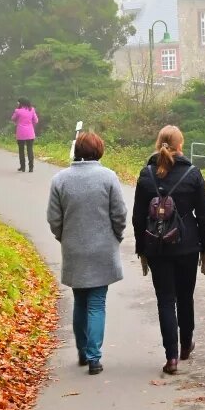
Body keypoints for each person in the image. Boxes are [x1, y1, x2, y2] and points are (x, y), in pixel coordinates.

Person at [132, 125, 205, 375]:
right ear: (181, 145)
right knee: (185, 296)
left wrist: (141, 249)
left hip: (156, 246)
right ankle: (186, 344)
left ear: (158, 145)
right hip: (187, 245)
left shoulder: (147, 174)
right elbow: (204, 216)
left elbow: (137, 217)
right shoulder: (192, 173)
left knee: (165, 300)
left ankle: (172, 357)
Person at [46, 132, 126, 375]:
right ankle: (94, 357)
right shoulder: (108, 177)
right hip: (103, 248)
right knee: (97, 302)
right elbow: (119, 214)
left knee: (80, 300)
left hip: (74, 249)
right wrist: (116, 236)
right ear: (99, 150)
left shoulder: (60, 179)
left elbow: (54, 218)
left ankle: (83, 350)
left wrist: (64, 237)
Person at [12, 97, 39, 172]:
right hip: (30, 132)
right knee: (30, 150)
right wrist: (31, 124)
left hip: (21, 133)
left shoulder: (18, 111)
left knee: (21, 150)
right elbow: (36, 120)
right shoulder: (32, 110)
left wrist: (17, 121)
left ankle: (22, 167)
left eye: (18, 102)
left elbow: (13, 118)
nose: (17, 103)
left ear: (21, 103)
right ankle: (31, 168)